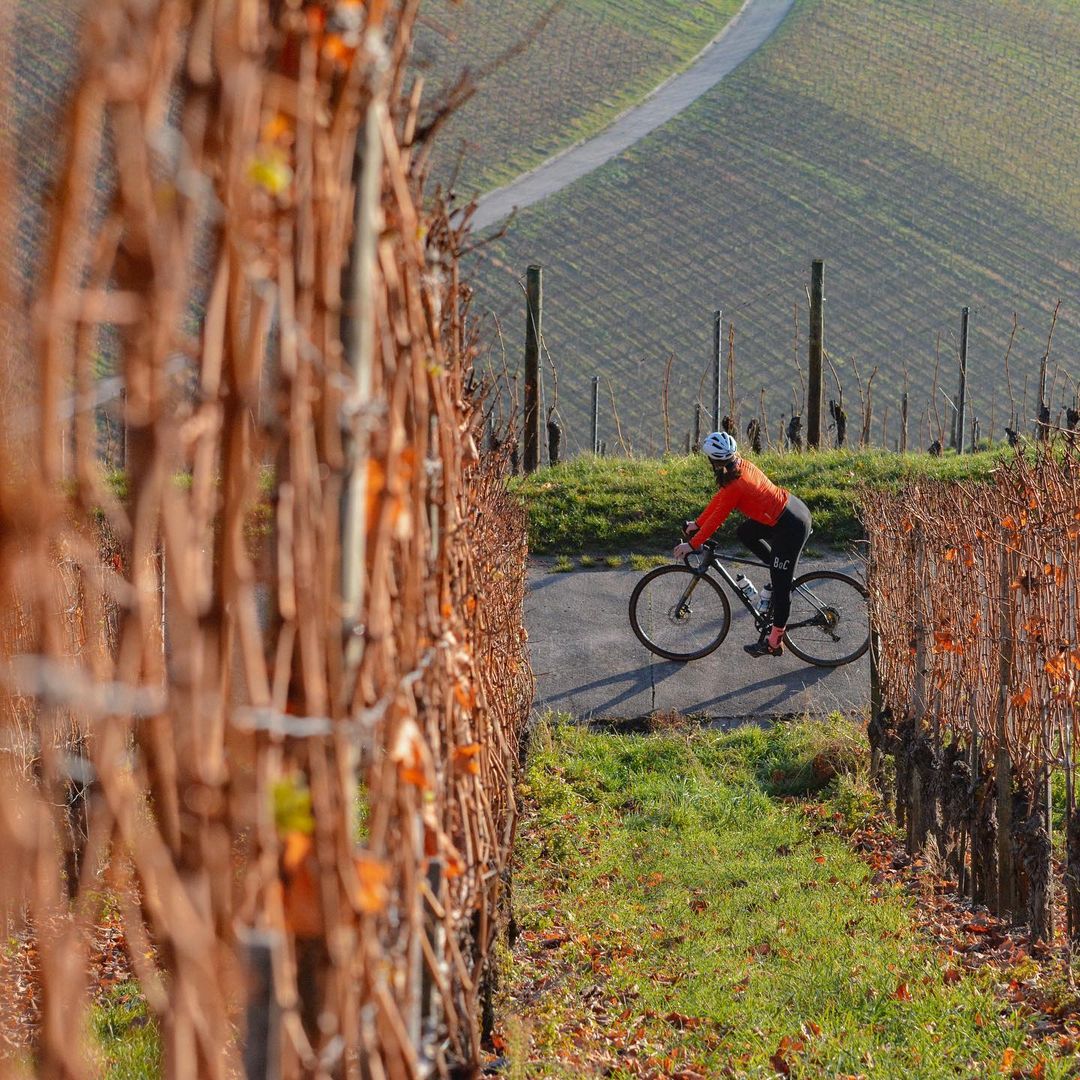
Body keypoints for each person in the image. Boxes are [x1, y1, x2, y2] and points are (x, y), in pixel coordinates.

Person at [672, 431, 812, 657]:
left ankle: (774, 641)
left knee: (781, 586)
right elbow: (720, 500)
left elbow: (719, 517)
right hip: (789, 510)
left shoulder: (737, 483)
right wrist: (697, 524)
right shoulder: (738, 467)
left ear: (714, 461)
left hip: (791, 525)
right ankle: (777, 565)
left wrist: (694, 544)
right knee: (745, 532)